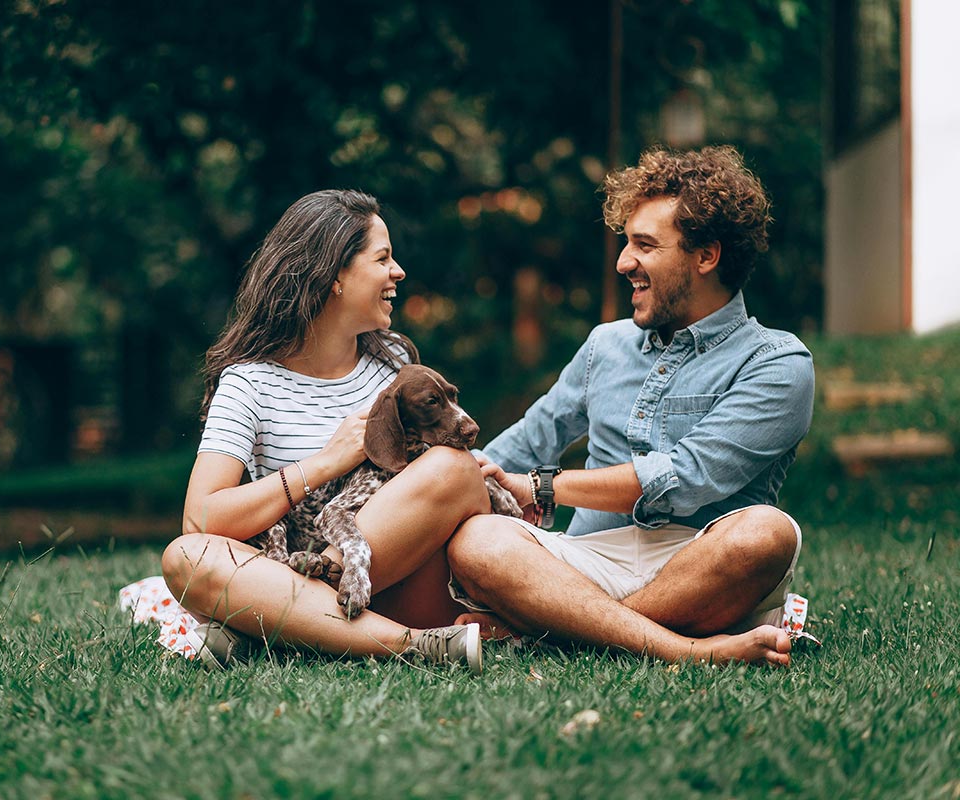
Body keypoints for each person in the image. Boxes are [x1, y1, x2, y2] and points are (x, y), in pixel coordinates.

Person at [447, 145, 815, 666]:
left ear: (706, 255)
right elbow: (532, 438)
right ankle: (685, 647)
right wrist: (453, 478)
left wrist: (543, 487)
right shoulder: (606, 345)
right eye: (626, 244)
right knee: (477, 539)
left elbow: (686, 476)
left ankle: (552, 625)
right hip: (587, 560)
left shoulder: (778, 362)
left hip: (700, 561)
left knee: (767, 533)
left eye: (644, 245)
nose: (624, 263)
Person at [150, 188, 496, 673]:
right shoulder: (250, 383)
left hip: (397, 582)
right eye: (383, 259)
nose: (398, 272)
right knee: (187, 556)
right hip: (299, 573)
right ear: (335, 276)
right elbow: (201, 520)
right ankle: (413, 645)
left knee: (452, 468)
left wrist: (470, 472)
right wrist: (322, 465)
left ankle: (277, 629)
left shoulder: (393, 363)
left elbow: (432, 480)